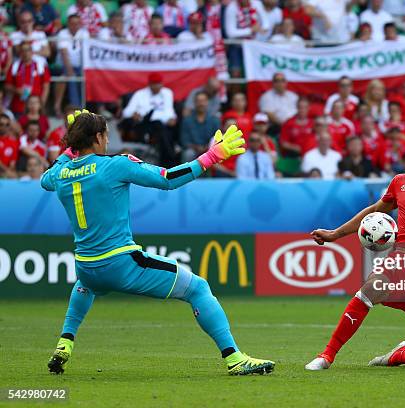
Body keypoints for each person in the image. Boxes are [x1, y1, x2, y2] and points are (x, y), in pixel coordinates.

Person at [43, 110, 274, 376]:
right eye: (106, 134)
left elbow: (44, 180)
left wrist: (69, 149)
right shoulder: (115, 165)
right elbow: (168, 179)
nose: (108, 140)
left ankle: (65, 343)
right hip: (121, 262)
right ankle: (235, 358)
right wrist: (212, 157)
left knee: (86, 285)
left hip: (86, 266)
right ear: (97, 136)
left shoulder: (60, 173)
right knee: (198, 288)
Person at [305, 123, 405, 370]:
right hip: (404, 260)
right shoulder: (399, 182)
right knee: (372, 288)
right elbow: (374, 211)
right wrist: (335, 234)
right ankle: (327, 355)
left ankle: (395, 356)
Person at [120, 73, 177, 167]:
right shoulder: (140, 94)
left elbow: (169, 110)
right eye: (155, 84)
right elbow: (126, 112)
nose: (157, 86)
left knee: (166, 131)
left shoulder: (167, 93)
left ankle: (170, 158)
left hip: (164, 125)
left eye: (159, 84)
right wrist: (134, 114)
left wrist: (173, 117)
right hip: (146, 125)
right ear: (150, 84)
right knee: (161, 130)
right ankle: (170, 161)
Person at [54, 14, 90, 116]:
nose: (75, 26)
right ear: (68, 24)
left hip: (80, 66)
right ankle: (77, 109)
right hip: (62, 66)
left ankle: (98, 108)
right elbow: (64, 54)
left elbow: (86, 53)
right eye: (72, 23)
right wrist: (70, 70)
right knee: (71, 76)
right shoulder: (62, 33)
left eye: (77, 23)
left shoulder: (84, 33)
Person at [5, 42, 51, 117]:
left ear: (32, 52)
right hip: (18, 107)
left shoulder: (41, 66)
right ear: (20, 53)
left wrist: (41, 104)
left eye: (27, 50)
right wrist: (16, 90)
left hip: (35, 109)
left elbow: (46, 87)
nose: (25, 53)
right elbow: (7, 86)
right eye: (23, 50)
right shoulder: (14, 66)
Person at [180, 91, 220, 161]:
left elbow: (217, 139)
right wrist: (196, 147)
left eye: (203, 101)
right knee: (188, 153)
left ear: (207, 102)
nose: (201, 104)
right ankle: (187, 172)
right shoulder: (187, 121)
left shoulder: (215, 120)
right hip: (193, 150)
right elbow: (184, 141)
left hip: (209, 149)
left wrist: (207, 147)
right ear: (194, 103)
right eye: (198, 101)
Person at [0, 114, 19, 179]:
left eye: (7, 124)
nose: (4, 126)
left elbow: (13, 162)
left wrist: (9, 171)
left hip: (6, 173)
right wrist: (7, 171)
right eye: (1, 124)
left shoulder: (13, 142)